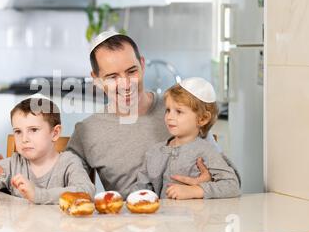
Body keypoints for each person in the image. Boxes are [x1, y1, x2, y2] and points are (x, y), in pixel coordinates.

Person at [65, 31, 225, 198]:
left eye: (131, 71)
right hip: (128, 220)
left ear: (142, 64)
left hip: (190, 217)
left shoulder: (182, 110)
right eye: (112, 77)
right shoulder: (87, 132)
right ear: (96, 79)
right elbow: (64, 180)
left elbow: (222, 176)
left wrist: (207, 184)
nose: (126, 85)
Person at [0, 95, 95, 204]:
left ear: (55, 133)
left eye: (33, 130)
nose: (24, 139)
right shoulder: (14, 164)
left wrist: (38, 195)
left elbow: (86, 191)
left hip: (58, 228)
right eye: (18, 131)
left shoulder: (69, 162)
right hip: (22, 229)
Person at [132, 77, 241, 199]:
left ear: (202, 119)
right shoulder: (154, 152)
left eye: (178, 111)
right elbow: (141, 188)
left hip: (197, 216)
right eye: (168, 110)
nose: (169, 117)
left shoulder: (206, 151)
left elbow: (232, 185)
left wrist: (195, 191)